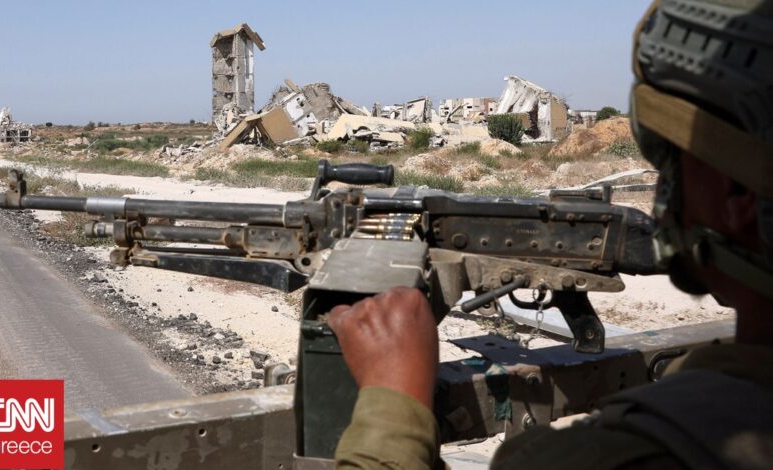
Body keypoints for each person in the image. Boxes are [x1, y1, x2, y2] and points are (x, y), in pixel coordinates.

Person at [327, 0, 773, 468]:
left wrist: (394, 398)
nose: (664, 190)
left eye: (671, 165)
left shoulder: (607, 456)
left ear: (738, 196)